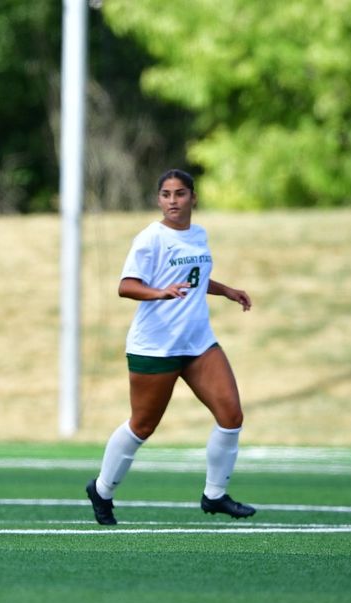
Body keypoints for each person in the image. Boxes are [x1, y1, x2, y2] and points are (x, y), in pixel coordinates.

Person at [86, 169, 256, 526]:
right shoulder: (150, 238)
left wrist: (225, 290)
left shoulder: (198, 234)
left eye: (180, 194)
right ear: (158, 200)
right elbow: (127, 286)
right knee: (143, 426)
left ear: (193, 197)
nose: (173, 201)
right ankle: (101, 490)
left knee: (231, 416)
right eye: (166, 194)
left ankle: (214, 495)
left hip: (197, 342)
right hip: (156, 345)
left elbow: (193, 277)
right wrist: (158, 292)